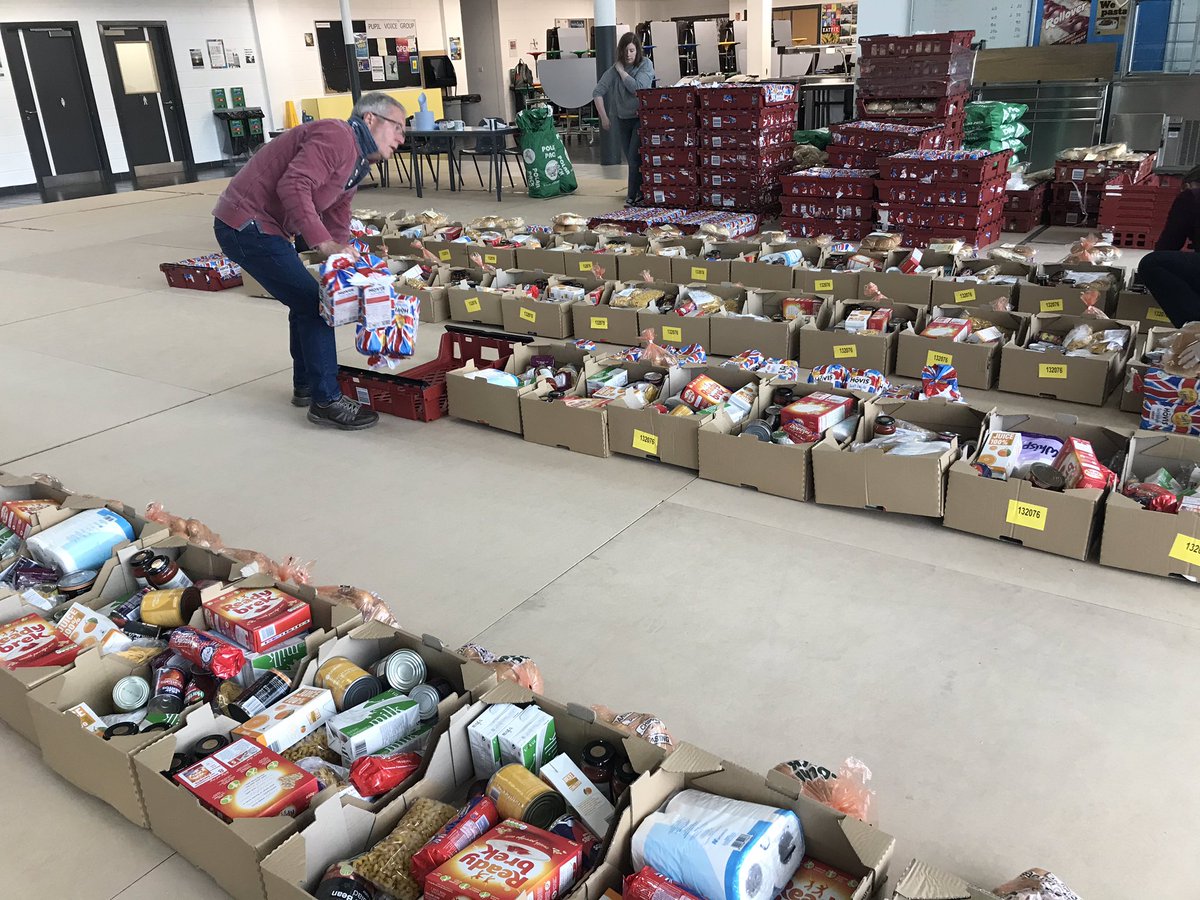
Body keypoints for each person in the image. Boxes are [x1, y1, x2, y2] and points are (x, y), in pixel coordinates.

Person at [213, 92, 406, 430]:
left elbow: (337, 209)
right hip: (247, 224)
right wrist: (323, 244)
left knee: (305, 302)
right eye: (398, 127)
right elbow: (295, 185)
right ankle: (325, 400)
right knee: (316, 305)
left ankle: (306, 385)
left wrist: (344, 253)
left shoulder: (358, 159)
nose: (402, 139)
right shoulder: (337, 136)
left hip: (265, 227)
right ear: (371, 120)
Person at [592, 32, 655, 206]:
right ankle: (642, 192)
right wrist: (604, 117)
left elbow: (639, 89)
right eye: (625, 50)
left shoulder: (645, 65)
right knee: (632, 160)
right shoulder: (615, 68)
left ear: (637, 51)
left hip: (640, 118)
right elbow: (597, 92)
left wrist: (621, 72)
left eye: (632, 50)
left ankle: (631, 196)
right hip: (621, 119)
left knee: (635, 158)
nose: (628, 54)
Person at [1137, 165, 1200, 330]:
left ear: (1189, 184)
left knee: (1153, 264)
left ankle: (1195, 329)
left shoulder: (1191, 197)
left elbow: (1168, 245)